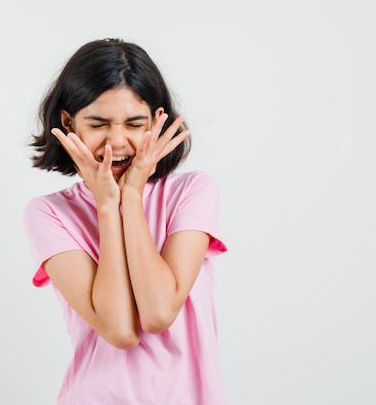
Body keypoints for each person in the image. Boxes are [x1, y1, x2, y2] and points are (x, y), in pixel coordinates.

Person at [23, 38, 228, 405]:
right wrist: (106, 206)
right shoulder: (49, 214)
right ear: (70, 122)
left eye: (135, 123)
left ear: (156, 121)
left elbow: (158, 312)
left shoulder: (193, 192)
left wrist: (130, 199)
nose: (116, 142)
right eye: (98, 123)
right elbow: (120, 330)